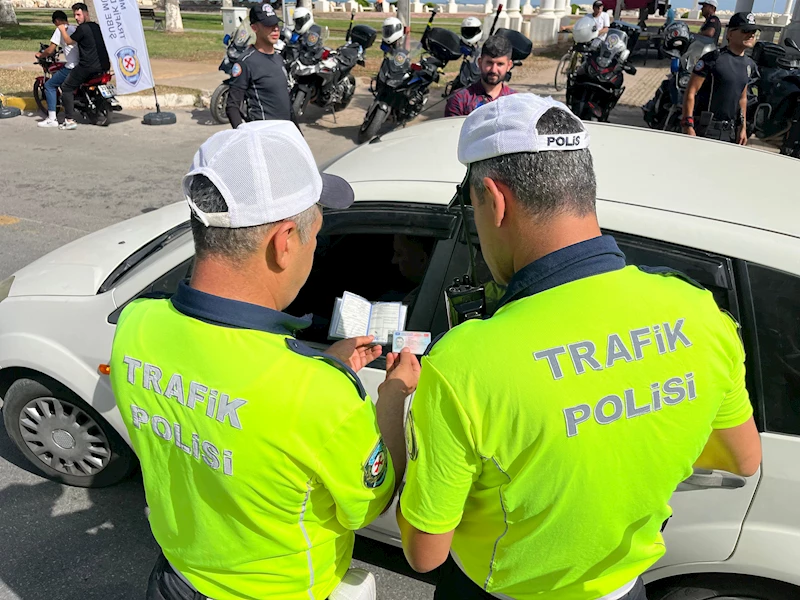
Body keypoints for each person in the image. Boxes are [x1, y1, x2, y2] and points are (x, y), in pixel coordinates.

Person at [396, 93, 762, 599]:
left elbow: (424, 552)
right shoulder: (699, 311)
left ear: (496, 200)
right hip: (623, 588)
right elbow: (743, 459)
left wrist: (398, 413)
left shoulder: (463, 364)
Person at [109, 120, 420, 600]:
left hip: (176, 579)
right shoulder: (318, 394)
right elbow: (370, 505)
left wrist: (324, 370)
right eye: (316, 236)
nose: (315, 250)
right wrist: (392, 394)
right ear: (284, 242)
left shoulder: (136, 325)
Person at [682, 12, 759, 145]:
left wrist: (743, 128)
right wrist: (688, 124)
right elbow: (691, 92)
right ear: (730, 34)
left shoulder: (749, 65)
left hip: (730, 131)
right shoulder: (713, 59)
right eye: (746, 31)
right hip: (706, 128)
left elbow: (742, 98)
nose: (751, 35)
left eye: (753, 32)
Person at [226, 4, 292, 129]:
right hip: (263, 134)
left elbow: (286, 102)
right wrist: (244, 134)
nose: (275, 29)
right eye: (268, 25)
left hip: (284, 132)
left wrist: (297, 133)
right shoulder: (246, 62)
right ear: (254, 28)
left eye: (276, 24)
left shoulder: (279, 58)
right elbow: (232, 106)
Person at [54, 2, 109, 131]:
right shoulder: (96, 27)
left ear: (86, 14)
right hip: (104, 65)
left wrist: (62, 30)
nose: (77, 18)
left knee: (66, 87)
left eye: (78, 14)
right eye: (75, 16)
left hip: (88, 66)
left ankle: (69, 120)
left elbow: (68, 41)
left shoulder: (82, 29)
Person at [445, 35, 517, 117]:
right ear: (480, 62)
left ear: (509, 66)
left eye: (500, 64)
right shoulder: (459, 99)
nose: (493, 70)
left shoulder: (515, 101)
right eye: (489, 63)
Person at [35, 10, 78, 128]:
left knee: (49, 85)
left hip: (72, 66)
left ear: (57, 21)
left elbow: (50, 50)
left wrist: (41, 55)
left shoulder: (60, 29)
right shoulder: (74, 28)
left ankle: (52, 119)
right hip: (82, 65)